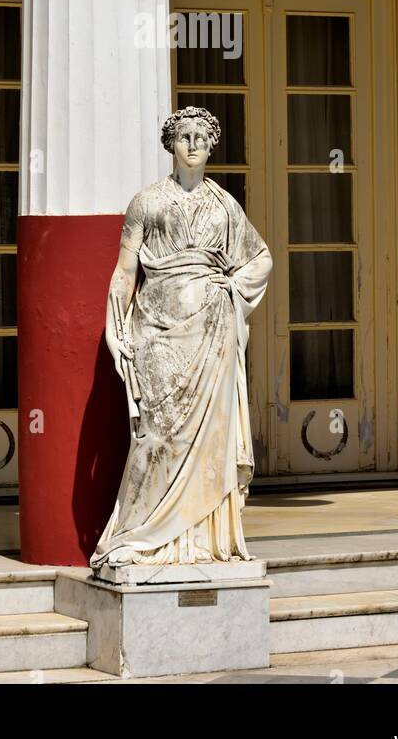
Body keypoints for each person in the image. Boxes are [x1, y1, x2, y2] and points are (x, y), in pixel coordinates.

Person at [91, 105, 272, 569]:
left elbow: (260, 258)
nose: (192, 144)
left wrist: (232, 290)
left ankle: (198, 542)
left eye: (200, 137)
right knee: (155, 436)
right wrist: (116, 329)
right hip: (156, 332)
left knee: (210, 438)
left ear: (211, 145)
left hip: (212, 333)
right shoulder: (147, 201)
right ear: (170, 144)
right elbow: (124, 272)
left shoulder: (225, 206)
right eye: (183, 136)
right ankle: (137, 535)